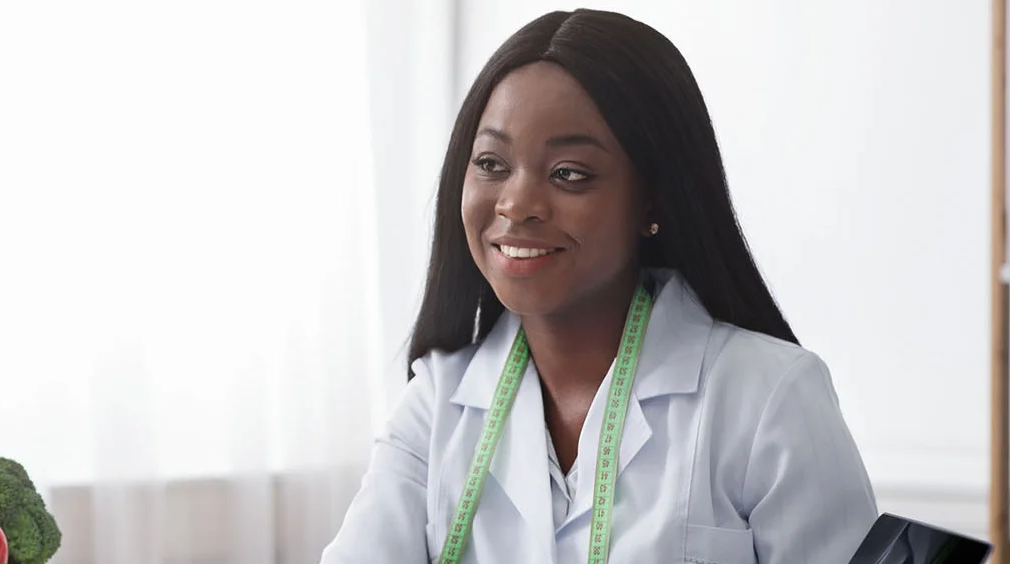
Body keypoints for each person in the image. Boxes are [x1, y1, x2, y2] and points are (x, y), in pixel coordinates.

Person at [320, 9, 875, 563]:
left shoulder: (767, 399)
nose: (516, 204)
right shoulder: (438, 403)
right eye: (491, 163)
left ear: (652, 199)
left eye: (569, 173)